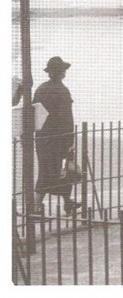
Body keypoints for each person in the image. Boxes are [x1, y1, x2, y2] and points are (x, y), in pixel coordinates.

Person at [33, 56, 80, 215]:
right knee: (64, 170)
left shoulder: (41, 89)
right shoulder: (62, 90)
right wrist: (70, 140)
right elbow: (66, 118)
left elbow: (35, 113)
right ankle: (39, 208)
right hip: (59, 138)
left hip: (42, 137)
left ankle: (61, 203)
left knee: (46, 170)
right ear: (62, 73)